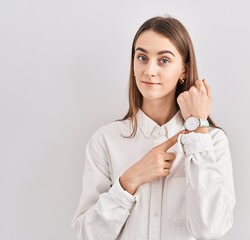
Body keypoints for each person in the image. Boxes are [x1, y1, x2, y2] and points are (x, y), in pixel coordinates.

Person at [71, 16, 236, 240]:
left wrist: (198, 127)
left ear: (184, 70)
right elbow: (86, 235)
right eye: (142, 57)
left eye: (164, 60)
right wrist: (129, 181)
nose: (149, 70)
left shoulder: (213, 142)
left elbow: (211, 229)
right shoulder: (105, 141)